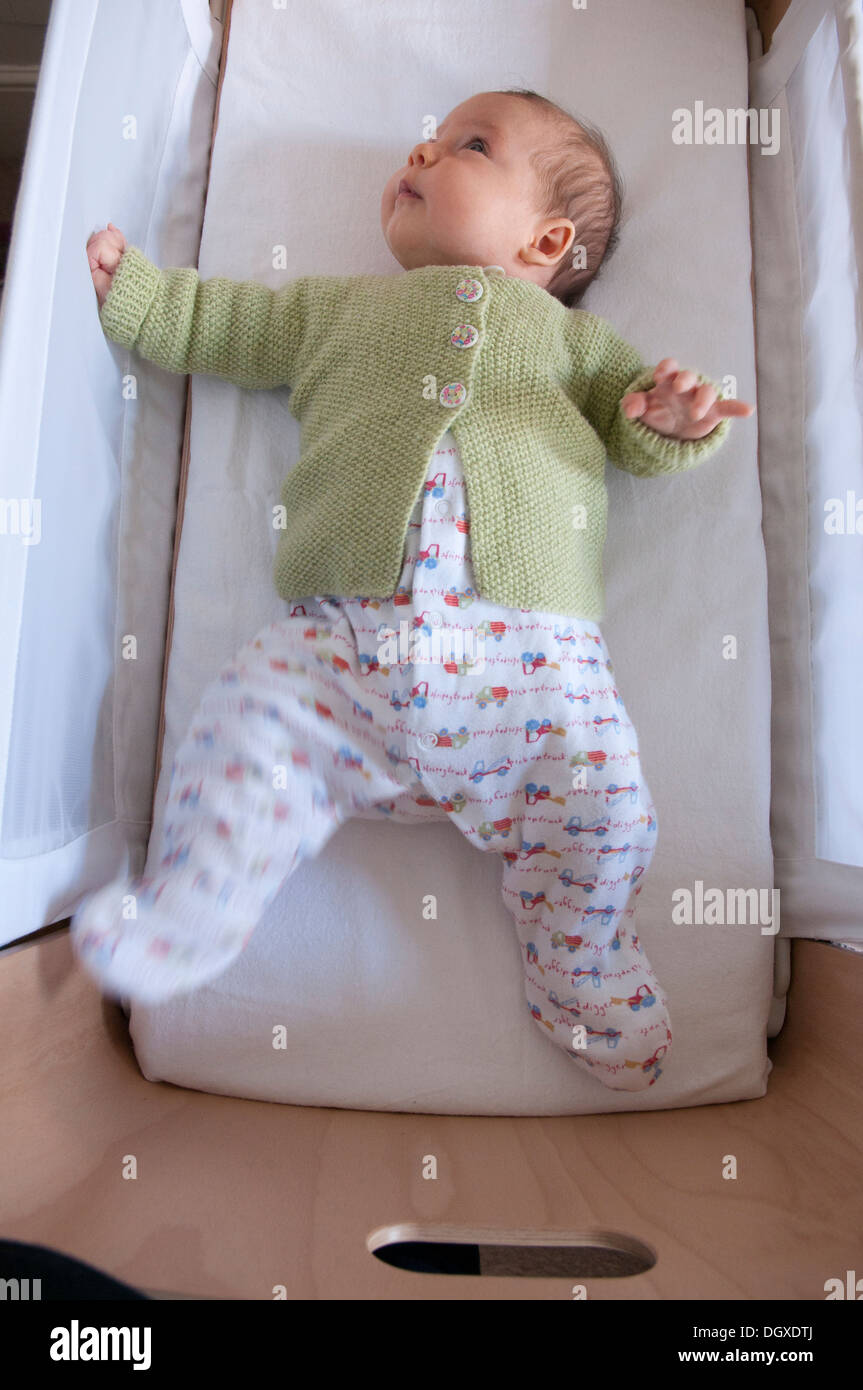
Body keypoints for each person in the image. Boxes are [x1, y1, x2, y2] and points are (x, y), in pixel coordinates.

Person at [72, 89, 754, 1092]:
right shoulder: (333, 308)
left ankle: (582, 969)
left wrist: (676, 419)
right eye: (427, 139)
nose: (424, 149)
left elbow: (638, 433)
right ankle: (192, 913)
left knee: (607, 806)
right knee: (243, 728)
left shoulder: (577, 347)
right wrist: (137, 293)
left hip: (533, 667)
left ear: (545, 238)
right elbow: (229, 325)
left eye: (467, 145)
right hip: (338, 650)